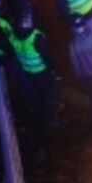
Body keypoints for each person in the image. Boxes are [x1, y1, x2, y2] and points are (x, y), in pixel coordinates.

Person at [11, 12, 59, 146]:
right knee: (49, 96)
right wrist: (53, 70)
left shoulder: (15, 37)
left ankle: (40, 119)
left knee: (37, 97)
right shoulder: (36, 37)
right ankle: (50, 119)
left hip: (29, 73)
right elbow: (46, 56)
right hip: (42, 71)